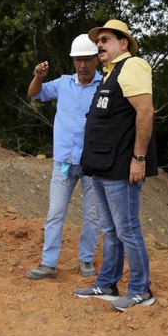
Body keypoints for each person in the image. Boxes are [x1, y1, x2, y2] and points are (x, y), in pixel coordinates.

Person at [73, 19, 158, 312]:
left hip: (121, 167)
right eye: (98, 41)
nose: (99, 45)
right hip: (101, 166)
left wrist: (139, 159)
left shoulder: (132, 66)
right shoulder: (109, 74)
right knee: (110, 230)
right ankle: (108, 283)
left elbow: (145, 112)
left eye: (106, 39)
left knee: (127, 229)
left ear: (123, 43)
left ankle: (140, 290)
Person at [25, 34, 102, 280]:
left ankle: (86, 259)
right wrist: (38, 76)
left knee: (92, 216)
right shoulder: (63, 83)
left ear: (96, 59)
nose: (82, 65)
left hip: (93, 162)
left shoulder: (105, 86)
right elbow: (34, 93)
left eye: (87, 60)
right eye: (78, 60)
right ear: (73, 61)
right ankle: (48, 264)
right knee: (55, 213)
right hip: (64, 161)